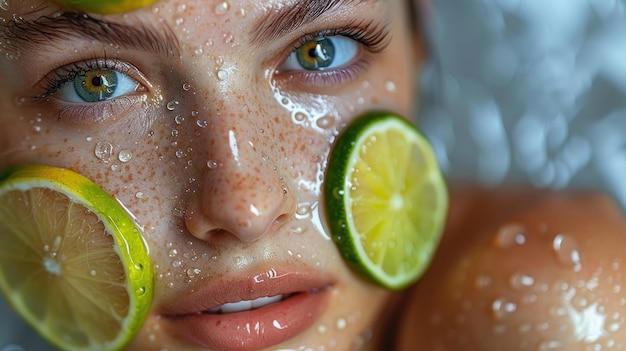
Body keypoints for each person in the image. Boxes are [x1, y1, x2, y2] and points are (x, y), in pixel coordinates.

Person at [1, 1, 626, 351]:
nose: (242, 207)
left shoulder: (543, 301)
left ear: (418, 42)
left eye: (319, 50)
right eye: (96, 84)